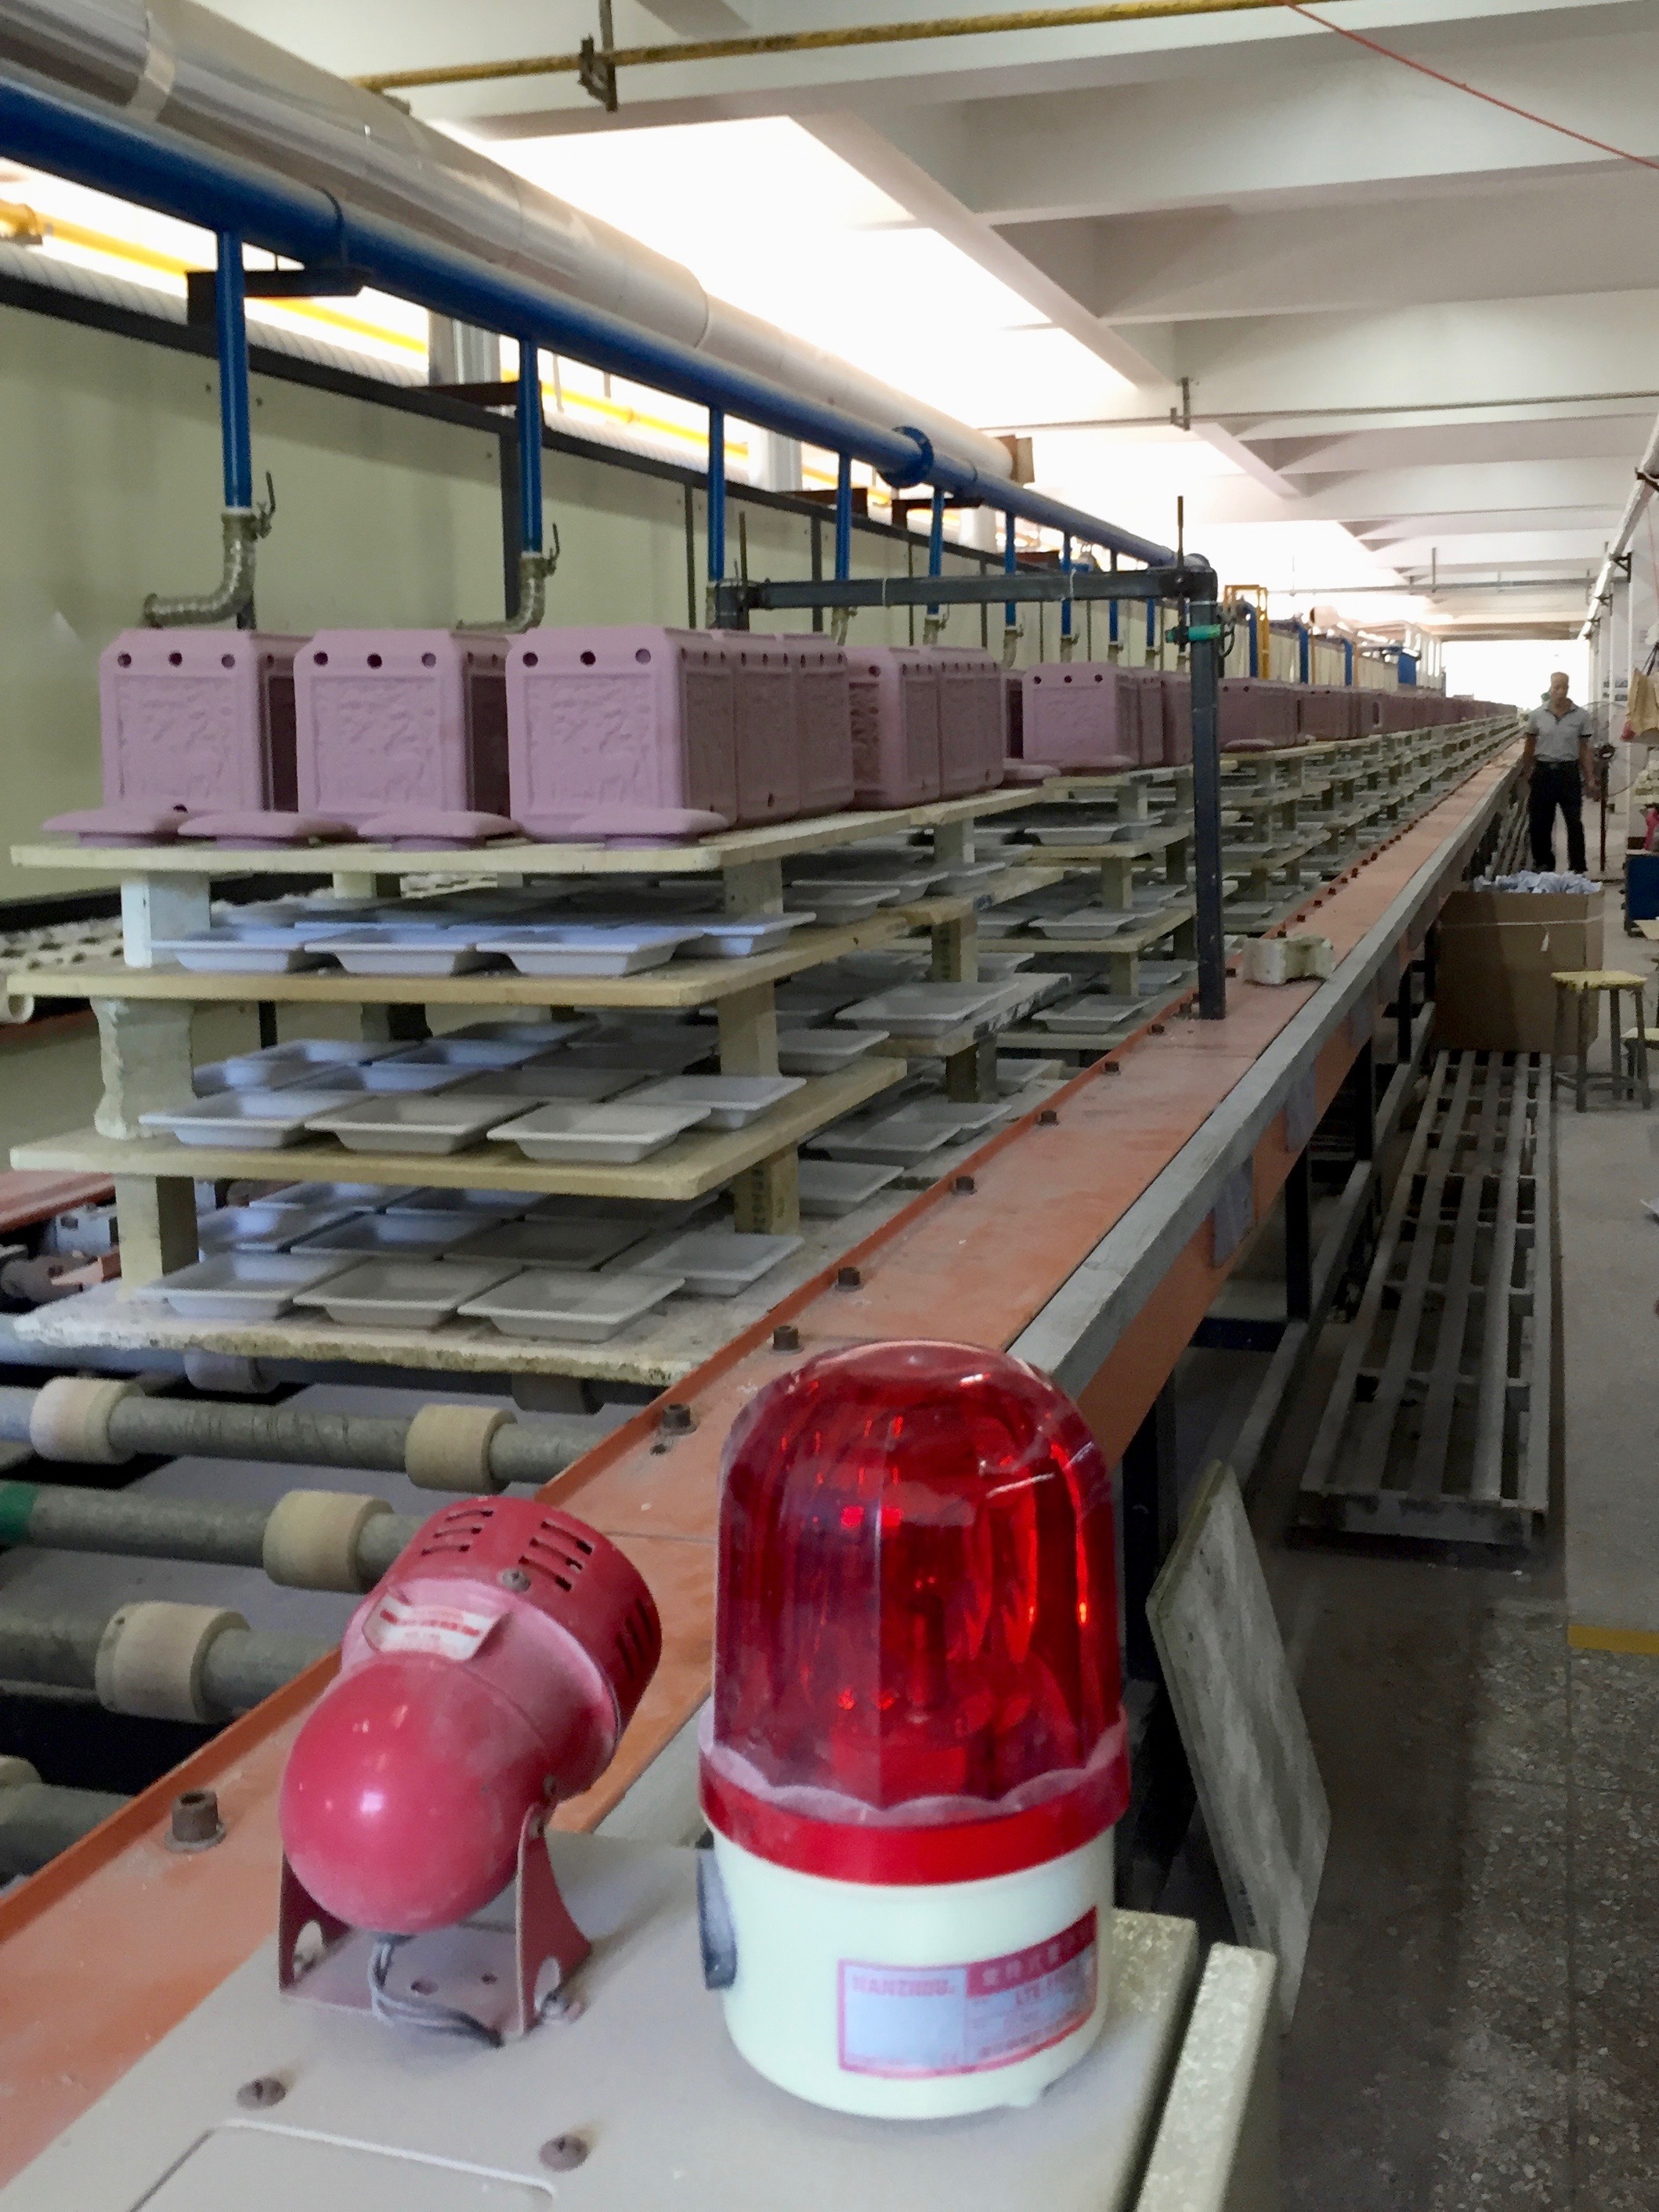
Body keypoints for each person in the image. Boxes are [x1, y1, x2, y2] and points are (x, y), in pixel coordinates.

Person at [1522, 673, 1595, 873]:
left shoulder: (1581, 716)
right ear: (1550, 688)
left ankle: (1578, 867)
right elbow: (1529, 745)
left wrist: (1590, 777)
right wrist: (1527, 771)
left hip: (1568, 773)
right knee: (1540, 822)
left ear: (1569, 688)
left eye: (1564, 687)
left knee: (1574, 821)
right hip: (1543, 772)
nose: (1560, 691)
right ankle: (1544, 864)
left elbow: (1584, 749)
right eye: (1556, 687)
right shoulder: (1537, 715)